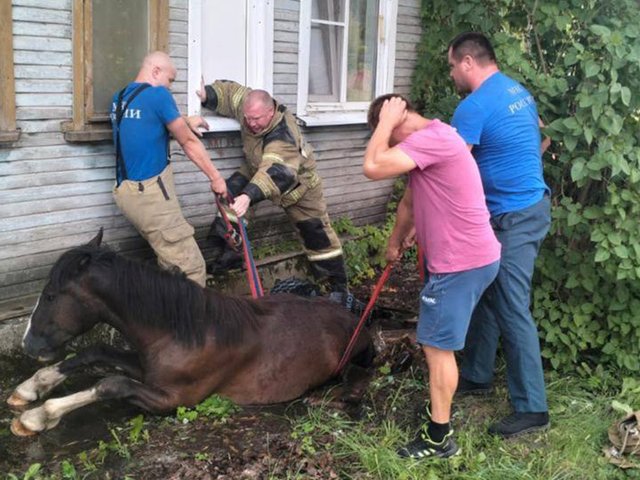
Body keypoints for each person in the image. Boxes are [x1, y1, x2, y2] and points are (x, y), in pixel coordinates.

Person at [364, 94, 501, 458]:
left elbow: (373, 167)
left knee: (436, 347)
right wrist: (396, 241)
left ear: (396, 120)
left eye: (388, 133)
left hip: (460, 262)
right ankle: (440, 414)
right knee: (438, 340)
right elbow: (410, 201)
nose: (389, 143)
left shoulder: (431, 138)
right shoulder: (434, 138)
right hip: (470, 257)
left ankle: (439, 437)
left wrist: (384, 123)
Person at [447, 31, 552, 437]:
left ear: (468, 62)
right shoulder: (517, 90)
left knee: (510, 303)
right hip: (529, 207)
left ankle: (532, 408)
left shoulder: (473, 107)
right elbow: (542, 134)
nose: (452, 73)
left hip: (513, 217)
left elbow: (449, 170)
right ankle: (476, 374)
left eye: (453, 65)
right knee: (490, 292)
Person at [190, 79, 350, 295]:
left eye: (256, 119)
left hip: (298, 187)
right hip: (256, 168)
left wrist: (248, 196)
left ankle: (336, 288)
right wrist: (206, 94)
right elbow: (230, 95)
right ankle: (233, 256)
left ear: (270, 111)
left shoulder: (283, 132)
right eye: (247, 118)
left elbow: (277, 171)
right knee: (230, 192)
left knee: (317, 236)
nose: (250, 123)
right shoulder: (249, 107)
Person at [110, 51, 227, 287]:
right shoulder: (158, 95)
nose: (170, 87)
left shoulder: (120, 97)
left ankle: (166, 314)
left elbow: (148, 120)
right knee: (190, 269)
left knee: (168, 264)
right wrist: (216, 178)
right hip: (151, 196)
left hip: (126, 193)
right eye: (170, 80)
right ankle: (190, 323)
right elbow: (189, 142)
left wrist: (184, 119)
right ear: (155, 72)